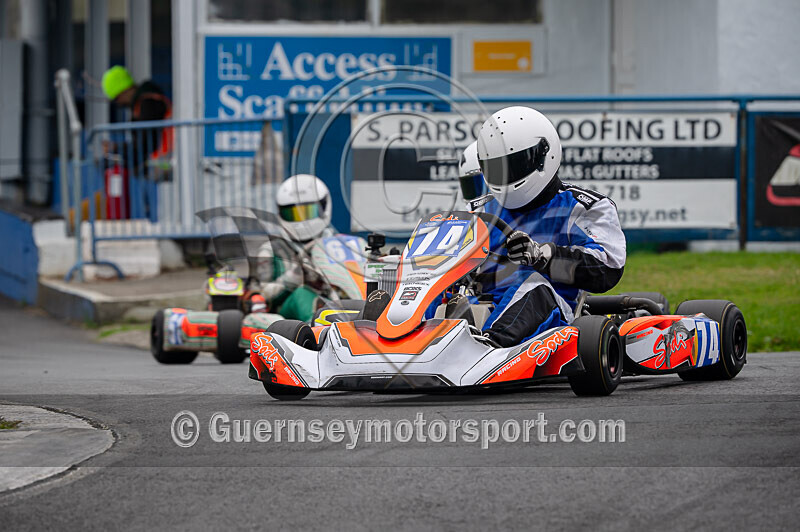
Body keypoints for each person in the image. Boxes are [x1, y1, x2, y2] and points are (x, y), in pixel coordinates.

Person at [474, 106, 626, 347]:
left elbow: (607, 267)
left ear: (544, 155)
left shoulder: (583, 207)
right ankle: (402, 344)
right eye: (497, 168)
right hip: (481, 303)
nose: (507, 176)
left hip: (551, 312)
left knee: (530, 282)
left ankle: (484, 349)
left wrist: (544, 256)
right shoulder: (483, 211)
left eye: (515, 165)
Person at [255, 174, 336, 322]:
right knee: (303, 294)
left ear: (323, 207)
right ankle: (319, 334)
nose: (301, 221)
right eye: (292, 214)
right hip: (288, 315)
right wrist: (296, 275)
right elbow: (263, 294)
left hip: (336, 302)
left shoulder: (337, 244)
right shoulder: (270, 250)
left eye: (308, 212)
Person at [101, 66, 172, 172]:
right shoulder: (144, 102)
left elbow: (145, 144)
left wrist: (117, 149)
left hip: (165, 160)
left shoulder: (148, 103)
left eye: (117, 99)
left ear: (122, 91)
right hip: (163, 159)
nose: (120, 103)